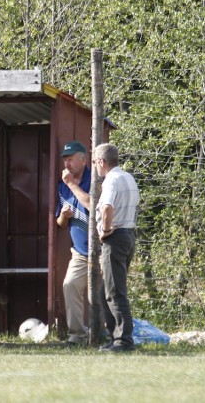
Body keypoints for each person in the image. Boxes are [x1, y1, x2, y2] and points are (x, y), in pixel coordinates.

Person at [93, 143, 140, 352]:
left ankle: (123, 341)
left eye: (95, 162)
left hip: (115, 238)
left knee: (114, 291)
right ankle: (114, 337)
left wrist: (105, 228)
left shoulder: (111, 180)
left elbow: (107, 206)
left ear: (102, 162)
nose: (95, 166)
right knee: (106, 291)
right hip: (128, 235)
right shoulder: (128, 177)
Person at [55, 140, 92, 346]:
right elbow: (60, 224)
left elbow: (91, 204)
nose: (66, 164)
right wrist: (63, 216)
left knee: (103, 295)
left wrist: (72, 184)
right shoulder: (62, 188)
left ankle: (103, 335)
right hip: (79, 252)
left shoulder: (95, 180)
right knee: (69, 286)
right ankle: (77, 336)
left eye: (70, 159)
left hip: (101, 250)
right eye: (65, 160)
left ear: (83, 159)